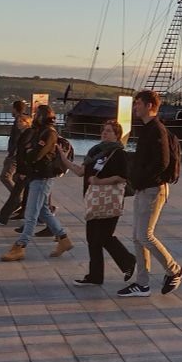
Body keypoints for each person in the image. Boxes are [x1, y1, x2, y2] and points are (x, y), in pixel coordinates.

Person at [117, 90, 182, 297]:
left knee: (145, 236)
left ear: (149, 105)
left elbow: (162, 162)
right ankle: (142, 283)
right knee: (137, 237)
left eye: (138, 103)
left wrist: (143, 179)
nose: (135, 107)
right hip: (144, 188)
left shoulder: (157, 130)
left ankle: (175, 270)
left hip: (153, 189)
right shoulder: (148, 129)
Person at [59, 120, 137, 287]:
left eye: (109, 131)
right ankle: (95, 276)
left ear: (117, 135)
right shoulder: (95, 151)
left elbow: (122, 177)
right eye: (103, 130)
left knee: (103, 237)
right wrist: (62, 157)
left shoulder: (118, 153)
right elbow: (80, 171)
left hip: (110, 202)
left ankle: (128, 260)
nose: (104, 133)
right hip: (94, 201)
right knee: (92, 239)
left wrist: (99, 181)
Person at [0, 104, 73, 261]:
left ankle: (20, 246)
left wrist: (28, 153)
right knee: (43, 210)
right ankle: (63, 239)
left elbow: (36, 155)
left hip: (42, 177)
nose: (34, 116)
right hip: (36, 176)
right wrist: (27, 156)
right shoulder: (39, 132)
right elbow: (28, 151)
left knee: (31, 214)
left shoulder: (49, 133)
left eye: (37, 114)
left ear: (43, 116)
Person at [0, 100, 31, 194]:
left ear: (14, 109)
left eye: (12, 109)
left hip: (15, 154)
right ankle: (27, 196)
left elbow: (17, 140)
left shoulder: (19, 120)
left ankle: (17, 197)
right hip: (17, 154)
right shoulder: (25, 118)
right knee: (17, 177)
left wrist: (11, 155)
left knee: (5, 177)